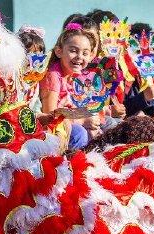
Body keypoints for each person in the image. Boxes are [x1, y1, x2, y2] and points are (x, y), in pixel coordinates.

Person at [39, 20, 101, 150]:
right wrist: (82, 120)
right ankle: (68, 167)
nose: (79, 57)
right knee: (79, 133)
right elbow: (50, 114)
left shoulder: (77, 76)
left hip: (69, 122)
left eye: (85, 53)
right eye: (73, 51)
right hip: (53, 132)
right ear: (59, 51)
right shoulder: (53, 75)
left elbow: (79, 106)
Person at [122, 23, 154, 125]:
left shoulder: (147, 71)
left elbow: (152, 98)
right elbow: (121, 107)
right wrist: (143, 97)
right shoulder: (122, 72)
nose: (144, 55)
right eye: (138, 49)